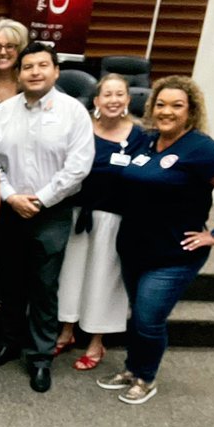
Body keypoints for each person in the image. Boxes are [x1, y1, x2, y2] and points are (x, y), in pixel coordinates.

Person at [99, 75, 214, 404]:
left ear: (191, 111)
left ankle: (146, 376)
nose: (167, 111)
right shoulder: (147, 141)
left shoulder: (202, 148)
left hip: (174, 254)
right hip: (134, 246)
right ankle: (132, 367)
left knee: (148, 318)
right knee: (138, 315)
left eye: (177, 105)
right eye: (161, 104)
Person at [0, 41, 95, 393]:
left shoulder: (74, 112)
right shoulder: (3, 113)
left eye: (42, 66)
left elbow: (78, 167)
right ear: (18, 73)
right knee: (10, 280)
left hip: (53, 211)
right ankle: (10, 340)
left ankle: (40, 356)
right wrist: (12, 197)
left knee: (44, 286)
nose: (34, 72)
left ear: (56, 71)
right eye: (27, 67)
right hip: (11, 207)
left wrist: (41, 200)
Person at [56, 73, 145, 372]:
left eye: (119, 94)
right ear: (96, 100)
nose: (113, 100)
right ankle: (66, 332)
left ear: (128, 100)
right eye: (107, 94)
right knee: (70, 275)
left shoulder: (141, 137)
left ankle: (96, 341)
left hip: (115, 219)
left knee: (103, 279)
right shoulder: (82, 129)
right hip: (77, 215)